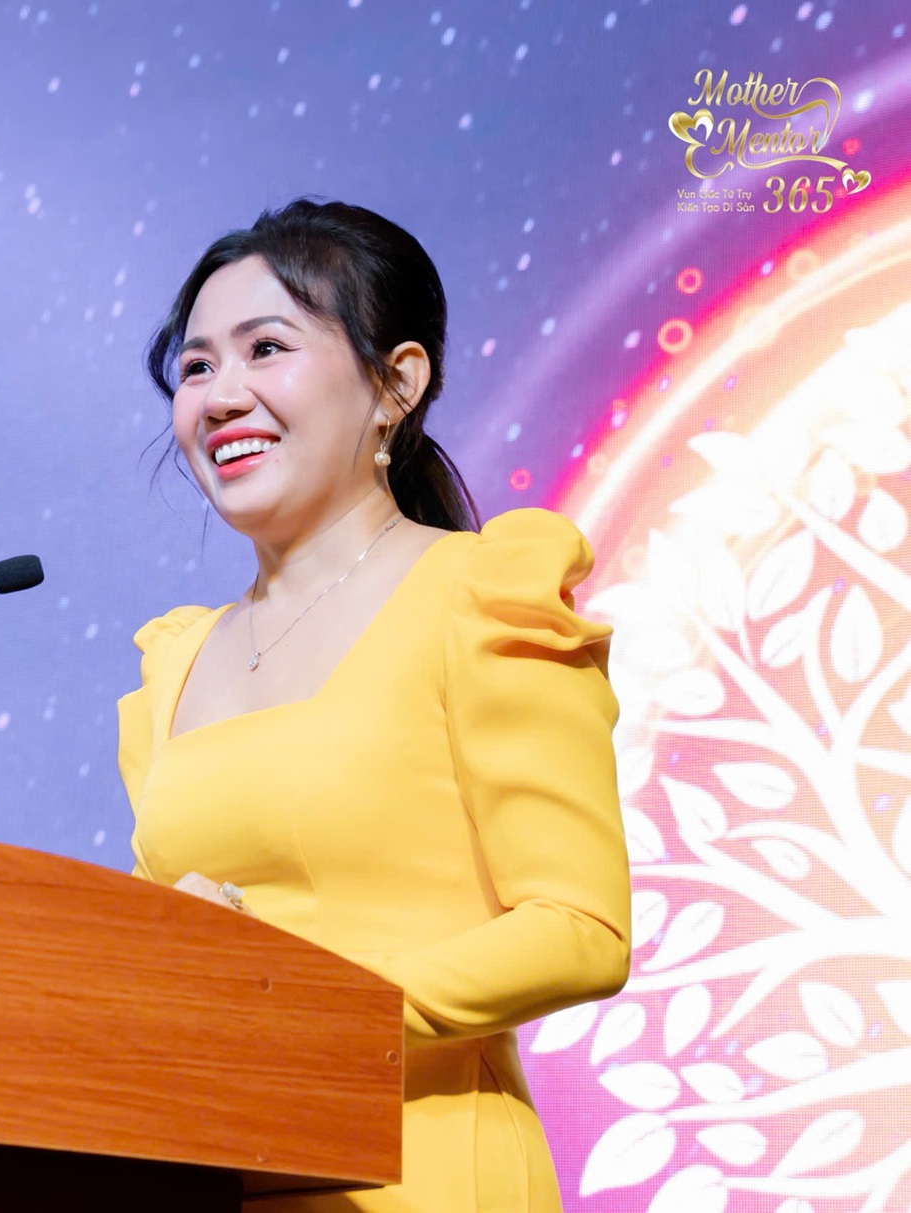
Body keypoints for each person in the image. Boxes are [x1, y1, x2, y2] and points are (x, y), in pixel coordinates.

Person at [117, 197, 632, 1213]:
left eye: (266, 349)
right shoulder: (171, 662)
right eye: (196, 367)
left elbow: (579, 927)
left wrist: (307, 1008)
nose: (221, 396)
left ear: (396, 382)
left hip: (418, 1169)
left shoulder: (482, 596)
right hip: (216, 1169)